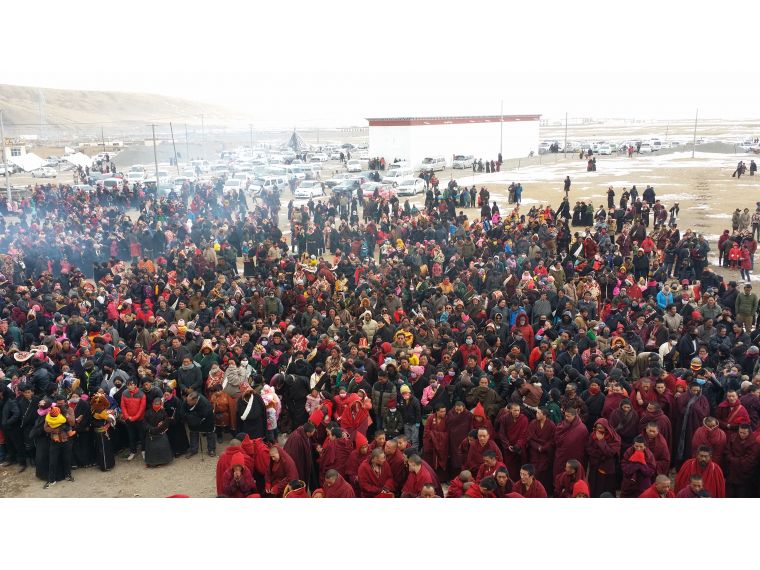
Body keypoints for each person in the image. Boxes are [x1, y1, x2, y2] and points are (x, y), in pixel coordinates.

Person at [180, 391, 216, 458]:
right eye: (187, 401)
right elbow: (182, 411)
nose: (187, 403)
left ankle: (211, 449)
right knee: (193, 433)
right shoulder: (187, 400)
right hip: (192, 419)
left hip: (206, 420)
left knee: (210, 434)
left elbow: (204, 414)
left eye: (189, 402)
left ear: (195, 400)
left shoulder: (205, 404)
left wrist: (193, 417)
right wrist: (188, 417)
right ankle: (193, 450)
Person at [143, 397, 173, 467]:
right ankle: (151, 462)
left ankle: (164, 461)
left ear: (160, 404)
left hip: (161, 432)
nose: (156, 405)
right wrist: (151, 428)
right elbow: (144, 423)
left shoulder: (163, 412)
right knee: (151, 450)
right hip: (151, 432)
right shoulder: (148, 412)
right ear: (152, 404)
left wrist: (162, 424)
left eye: (158, 404)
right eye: (155, 404)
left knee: (162, 447)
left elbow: (166, 421)